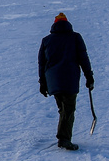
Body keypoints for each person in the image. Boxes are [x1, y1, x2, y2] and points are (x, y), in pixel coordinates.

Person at [38, 12, 94, 150]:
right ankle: (64, 139)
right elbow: (83, 58)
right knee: (68, 109)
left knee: (63, 108)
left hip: (53, 80)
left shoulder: (46, 40)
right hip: (70, 79)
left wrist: (43, 83)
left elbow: (42, 63)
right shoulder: (75, 37)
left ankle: (63, 137)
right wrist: (89, 76)